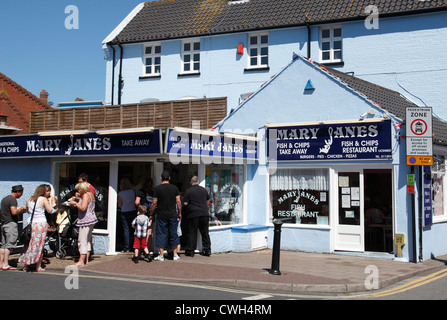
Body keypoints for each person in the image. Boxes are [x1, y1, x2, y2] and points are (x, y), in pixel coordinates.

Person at [19, 184, 54, 272]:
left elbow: (27, 210)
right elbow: (50, 211)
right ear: (43, 191)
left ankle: (26, 265)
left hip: (30, 222)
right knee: (38, 244)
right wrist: (50, 201)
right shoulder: (43, 199)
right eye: (47, 191)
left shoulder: (30, 198)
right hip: (40, 223)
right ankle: (37, 266)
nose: (48, 192)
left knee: (28, 244)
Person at [150, 171, 182, 261]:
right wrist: (179, 213)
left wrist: (151, 214)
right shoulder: (174, 188)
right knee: (173, 233)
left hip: (161, 215)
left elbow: (154, 203)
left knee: (161, 234)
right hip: (172, 214)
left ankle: (161, 255)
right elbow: (178, 201)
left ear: (161, 178)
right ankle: (175, 255)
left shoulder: (157, 189)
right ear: (169, 178)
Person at [69, 182, 98, 266]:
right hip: (92, 219)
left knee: (82, 240)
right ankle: (86, 260)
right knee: (88, 240)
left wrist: (75, 203)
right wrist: (78, 200)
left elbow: (83, 208)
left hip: (85, 220)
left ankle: (81, 261)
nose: (78, 191)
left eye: (78, 189)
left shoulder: (85, 195)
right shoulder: (91, 194)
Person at [0, 185, 27, 270]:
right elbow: (14, 212)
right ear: (18, 192)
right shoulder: (12, 200)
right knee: (9, 245)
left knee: (3, 245)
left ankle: (1, 263)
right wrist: (22, 209)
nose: (21, 195)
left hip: (3, 223)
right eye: (21, 193)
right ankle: (5, 264)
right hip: (10, 224)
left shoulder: (4, 199)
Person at [183, 176, 211, 257]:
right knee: (205, 233)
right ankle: (207, 250)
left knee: (192, 233)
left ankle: (190, 251)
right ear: (197, 181)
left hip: (193, 214)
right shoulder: (204, 190)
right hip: (204, 214)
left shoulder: (189, 191)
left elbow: (185, 203)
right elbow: (208, 200)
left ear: (191, 183)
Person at [118, 177, 139, 252]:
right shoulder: (133, 192)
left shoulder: (120, 193)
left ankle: (127, 247)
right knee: (133, 229)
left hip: (124, 212)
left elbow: (119, 205)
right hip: (133, 211)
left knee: (126, 230)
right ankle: (134, 246)